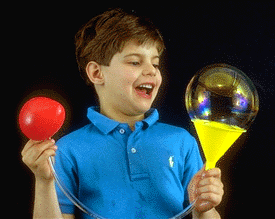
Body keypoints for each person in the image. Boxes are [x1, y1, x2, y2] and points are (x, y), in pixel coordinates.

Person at [21, 8, 224, 219]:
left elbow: (203, 211)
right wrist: (44, 182)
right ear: (97, 73)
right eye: (135, 62)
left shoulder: (182, 142)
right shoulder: (66, 150)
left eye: (155, 63)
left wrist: (205, 209)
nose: (151, 71)